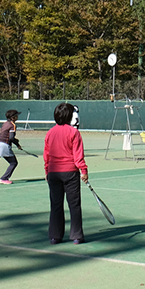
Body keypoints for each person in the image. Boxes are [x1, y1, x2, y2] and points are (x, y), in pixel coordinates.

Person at [43, 102, 89, 244]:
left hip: (53, 173)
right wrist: (84, 170)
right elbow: (78, 155)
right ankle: (76, 236)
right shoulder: (74, 132)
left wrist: (47, 171)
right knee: (74, 205)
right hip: (70, 173)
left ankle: (55, 236)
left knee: (56, 205)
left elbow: (47, 155)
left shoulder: (50, 133)